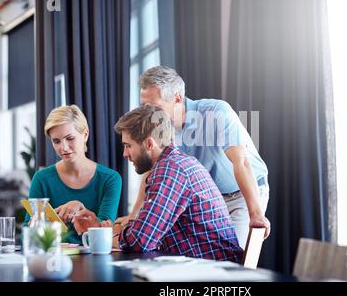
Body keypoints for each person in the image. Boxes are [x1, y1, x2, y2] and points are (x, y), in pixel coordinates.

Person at [120, 66, 270, 247]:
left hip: (242, 193)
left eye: (154, 107)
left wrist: (255, 214)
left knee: (233, 258)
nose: (148, 114)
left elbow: (242, 161)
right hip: (209, 200)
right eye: (144, 107)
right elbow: (152, 168)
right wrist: (134, 215)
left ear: (177, 99)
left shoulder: (215, 112)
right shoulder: (157, 128)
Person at [74, 105, 243, 262]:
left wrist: (108, 233)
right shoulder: (175, 164)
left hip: (212, 274)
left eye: (128, 146)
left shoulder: (171, 171)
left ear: (149, 144)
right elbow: (143, 229)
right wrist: (109, 230)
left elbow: (140, 240)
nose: (125, 154)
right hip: (202, 266)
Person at [24, 105, 122, 243]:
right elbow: (26, 235)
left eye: (70, 138)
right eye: (56, 141)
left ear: (85, 135)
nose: (63, 147)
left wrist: (79, 208)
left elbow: (103, 234)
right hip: (54, 259)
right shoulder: (42, 179)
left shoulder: (110, 179)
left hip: (93, 260)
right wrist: (39, 225)